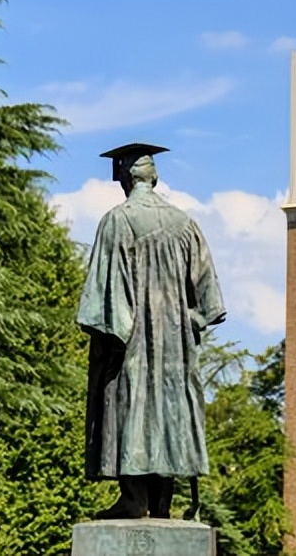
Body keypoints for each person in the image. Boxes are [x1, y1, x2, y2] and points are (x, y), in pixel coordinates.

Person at [77, 143, 225, 520]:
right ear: (153, 176)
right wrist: (188, 322)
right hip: (176, 348)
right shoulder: (185, 224)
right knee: (170, 410)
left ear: (125, 177)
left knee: (134, 405)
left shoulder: (117, 220)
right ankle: (163, 503)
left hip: (134, 346)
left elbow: (105, 308)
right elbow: (210, 301)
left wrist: (112, 340)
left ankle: (134, 497)